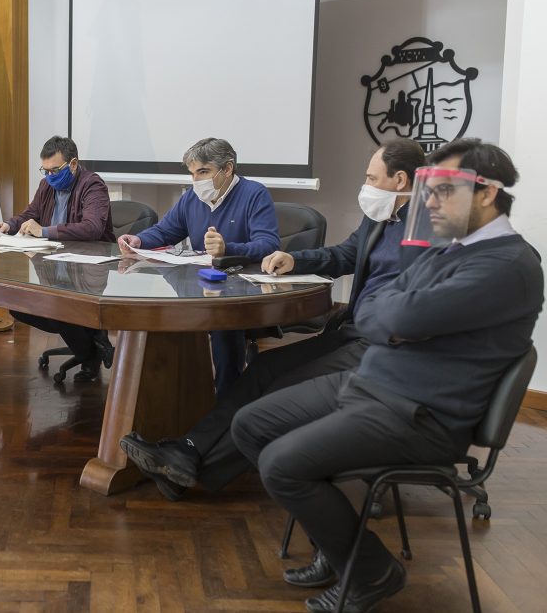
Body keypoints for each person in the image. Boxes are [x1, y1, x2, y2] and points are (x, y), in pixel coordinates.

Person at [231, 138, 543, 613]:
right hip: (373, 385)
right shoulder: (449, 249)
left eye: (443, 189)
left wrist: (394, 315)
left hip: (421, 413)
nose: (429, 201)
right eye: (426, 190)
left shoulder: (508, 264)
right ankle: (338, 550)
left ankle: (372, 572)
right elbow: (379, 308)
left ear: (486, 194)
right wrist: (394, 314)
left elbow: (395, 317)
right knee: (250, 425)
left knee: (282, 465)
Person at [119, 139, 428, 507]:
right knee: (265, 368)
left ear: (400, 179)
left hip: (382, 348)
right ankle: (186, 455)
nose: (365, 185)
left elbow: (419, 303)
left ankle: (188, 459)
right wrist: (294, 260)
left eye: (370, 177)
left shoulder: (427, 231)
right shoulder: (380, 217)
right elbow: (345, 254)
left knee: (276, 392)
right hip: (353, 333)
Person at [117, 137, 279, 393]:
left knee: (222, 323)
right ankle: (174, 396)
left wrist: (229, 249)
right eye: (193, 173)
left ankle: (227, 399)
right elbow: (165, 231)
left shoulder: (254, 193)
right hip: (202, 283)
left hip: (242, 288)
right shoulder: (191, 198)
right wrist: (139, 239)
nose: (196, 181)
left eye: (203, 172)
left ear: (227, 169)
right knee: (165, 316)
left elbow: (268, 244)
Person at [0, 136, 116, 381]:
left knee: (59, 308)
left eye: (55, 170)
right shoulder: (46, 185)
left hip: (88, 269)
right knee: (20, 308)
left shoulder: (93, 186)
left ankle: (88, 355)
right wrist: (9, 224)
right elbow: (31, 213)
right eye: (45, 171)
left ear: (73, 164)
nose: (49, 176)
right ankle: (92, 339)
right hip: (54, 265)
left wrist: (44, 231)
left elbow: (92, 228)